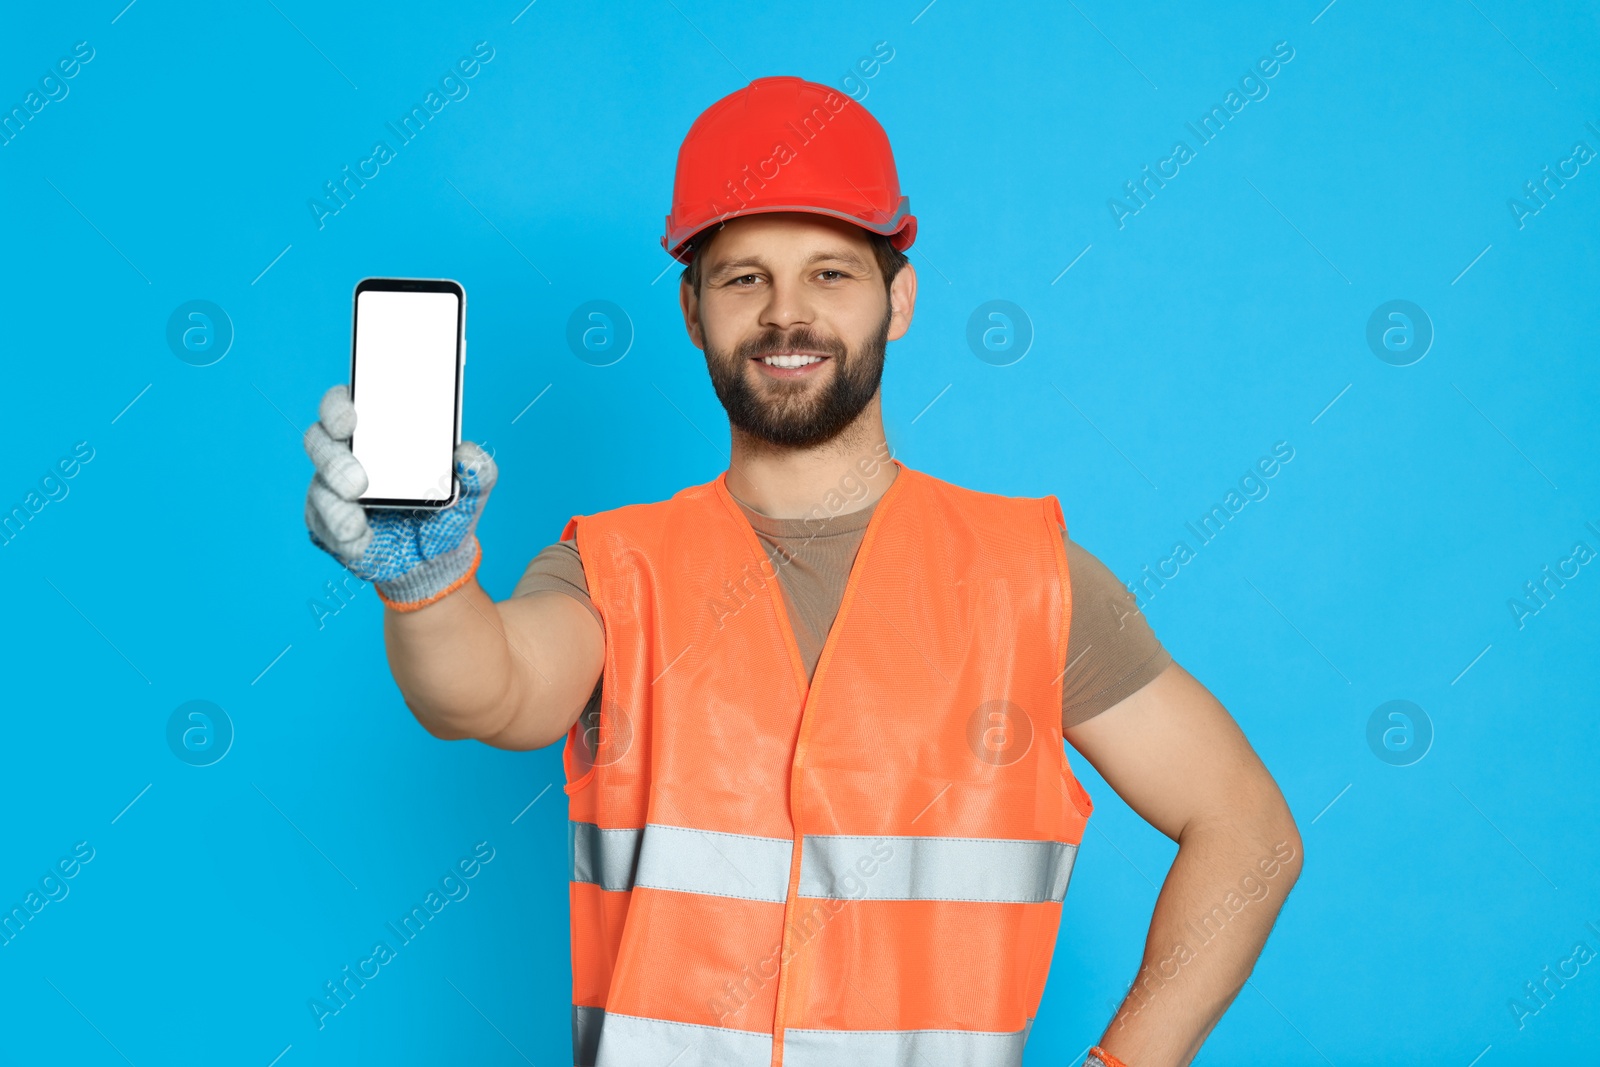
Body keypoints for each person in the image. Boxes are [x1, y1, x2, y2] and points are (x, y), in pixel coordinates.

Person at [302, 76, 1302, 1067]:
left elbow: (1247, 832)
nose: (787, 314)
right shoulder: (609, 571)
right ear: (692, 310)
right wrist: (425, 586)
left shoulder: (1031, 581)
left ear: (897, 297)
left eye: (830, 272)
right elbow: (491, 693)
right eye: (744, 277)